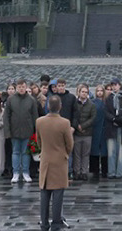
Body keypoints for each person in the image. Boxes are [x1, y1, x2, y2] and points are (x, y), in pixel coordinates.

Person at [35, 95, 74, 231]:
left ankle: (44, 223)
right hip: (59, 161)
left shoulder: (39, 121)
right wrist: (64, 153)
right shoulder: (65, 123)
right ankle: (56, 223)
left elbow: (39, 141)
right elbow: (69, 144)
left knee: (44, 193)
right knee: (58, 194)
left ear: (48, 107)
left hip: (45, 159)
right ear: (60, 107)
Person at [3, 78, 39, 184]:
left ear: (26, 87)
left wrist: (35, 131)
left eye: (23, 87)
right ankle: (16, 173)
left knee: (26, 153)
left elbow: (35, 116)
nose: (21, 89)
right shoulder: (10, 100)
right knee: (15, 152)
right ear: (16, 88)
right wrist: (7, 131)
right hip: (14, 131)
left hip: (28, 132)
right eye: (19, 87)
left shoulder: (31, 100)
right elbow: (6, 116)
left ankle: (25, 172)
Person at [103, 78, 122, 178]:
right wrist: (113, 119)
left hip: (121, 127)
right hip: (111, 127)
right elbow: (105, 112)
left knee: (120, 151)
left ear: (119, 86)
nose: (114, 87)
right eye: (112, 85)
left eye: (116, 85)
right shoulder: (108, 99)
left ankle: (119, 172)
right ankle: (111, 172)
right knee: (111, 151)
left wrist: (120, 119)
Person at [73, 84, 96, 180]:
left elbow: (93, 118)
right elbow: (73, 116)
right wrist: (77, 126)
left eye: (86, 92)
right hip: (77, 133)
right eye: (82, 92)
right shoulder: (74, 103)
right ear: (79, 92)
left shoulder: (91, 104)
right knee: (77, 153)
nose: (84, 94)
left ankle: (84, 171)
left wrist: (83, 126)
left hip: (87, 132)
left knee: (85, 154)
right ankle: (77, 171)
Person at [89, 84, 108, 179]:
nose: (99, 92)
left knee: (105, 150)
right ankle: (95, 170)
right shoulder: (93, 102)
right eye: (98, 91)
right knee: (94, 149)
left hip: (105, 128)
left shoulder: (107, 102)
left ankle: (105, 170)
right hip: (95, 128)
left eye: (101, 91)